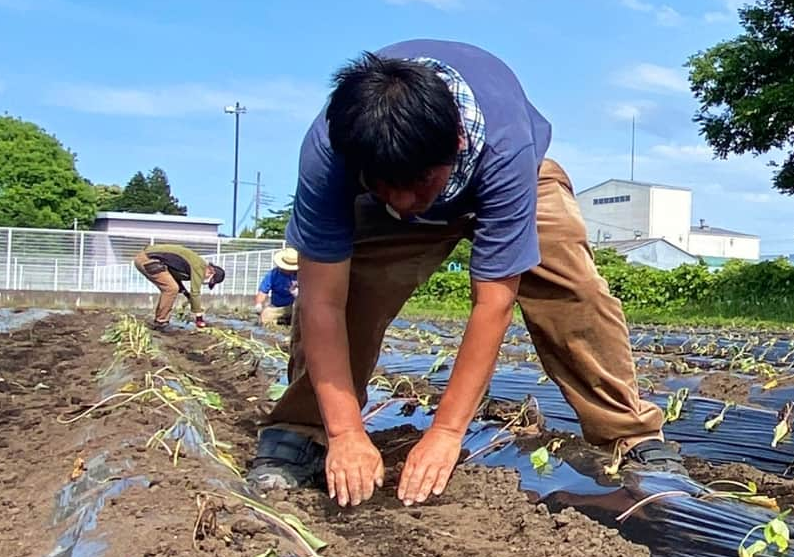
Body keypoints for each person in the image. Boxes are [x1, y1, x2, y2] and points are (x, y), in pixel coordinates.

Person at [250, 41, 677, 508]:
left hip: (515, 175)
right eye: (385, 187)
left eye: (416, 188)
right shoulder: (332, 153)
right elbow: (322, 301)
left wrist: (448, 432)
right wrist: (347, 431)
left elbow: (492, 301)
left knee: (572, 290)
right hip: (393, 174)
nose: (404, 205)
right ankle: (302, 427)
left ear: (455, 143)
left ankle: (628, 432)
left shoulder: (503, 145)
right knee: (355, 291)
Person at [132, 244, 225, 330]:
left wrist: (186, 293)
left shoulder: (194, 265)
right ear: (211, 271)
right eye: (209, 279)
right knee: (171, 289)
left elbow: (174, 276)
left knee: (171, 288)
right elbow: (195, 292)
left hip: (148, 259)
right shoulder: (200, 267)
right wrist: (199, 318)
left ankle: (161, 320)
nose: (205, 280)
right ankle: (160, 322)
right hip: (147, 259)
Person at [256, 246, 301, 328]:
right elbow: (263, 291)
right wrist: (259, 304)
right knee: (265, 316)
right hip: (277, 308)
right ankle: (281, 321)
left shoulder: (302, 275)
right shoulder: (273, 275)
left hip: (296, 307)